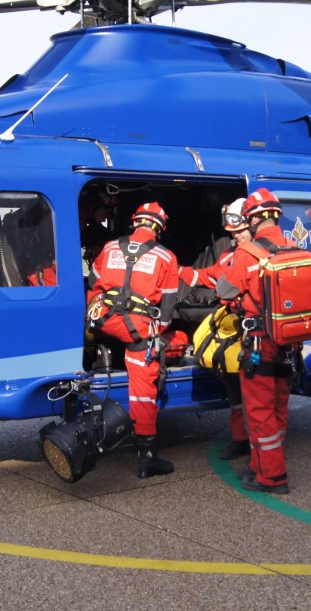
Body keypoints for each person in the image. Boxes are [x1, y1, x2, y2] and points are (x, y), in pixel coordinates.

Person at [88, 202, 180, 478]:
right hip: (136, 328)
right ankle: (147, 455)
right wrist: (155, 334)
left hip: (102, 319)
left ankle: (102, 354)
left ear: (135, 222)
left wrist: (95, 315)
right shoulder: (166, 257)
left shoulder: (109, 247)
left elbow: (93, 281)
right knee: (144, 386)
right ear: (159, 228)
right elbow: (167, 308)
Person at [215, 189, 296, 494]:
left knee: (260, 412)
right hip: (289, 344)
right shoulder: (293, 247)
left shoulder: (247, 253)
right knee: (278, 407)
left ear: (252, 218)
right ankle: (262, 464)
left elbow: (224, 291)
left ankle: (272, 477)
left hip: (261, 344)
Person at [179, 198, 252, 460]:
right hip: (233, 332)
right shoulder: (228, 255)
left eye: (240, 230)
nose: (235, 235)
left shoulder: (259, 255)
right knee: (234, 389)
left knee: (258, 395)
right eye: (232, 231)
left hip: (254, 332)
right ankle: (241, 440)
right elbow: (207, 275)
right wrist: (177, 270)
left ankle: (262, 449)